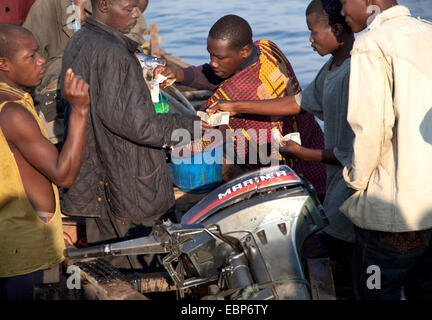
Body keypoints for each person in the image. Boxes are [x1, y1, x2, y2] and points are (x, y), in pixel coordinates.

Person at [207, 0, 356, 299]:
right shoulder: (275, 52)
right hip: (319, 164)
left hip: (319, 169)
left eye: (314, 33)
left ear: (338, 30)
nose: (309, 40)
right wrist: (235, 107)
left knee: (335, 252)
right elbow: (299, 102)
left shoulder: (355, 74)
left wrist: (304, 155)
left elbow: (353, 154)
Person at [60, 0, 200, 272]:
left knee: (111, 262)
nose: (137, 14)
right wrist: (192, 126)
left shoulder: (79, 40)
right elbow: (141, 127)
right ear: (103, 5)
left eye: (139, 7)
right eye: (130, 7)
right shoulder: (114, 54)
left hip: (98, 182)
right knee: (144, 267)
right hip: (130, 189)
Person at [338, 0, 432, 299]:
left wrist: (356, 182)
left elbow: (370, 127)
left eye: (344, 2)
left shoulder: (372, 44)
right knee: (428, 290)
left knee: (374, 289)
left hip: (393, 212)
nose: (342, 11)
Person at [156, 14, 327, 197]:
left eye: (220, 57)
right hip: (315, 146)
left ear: (244, 51)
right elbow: (216, 73)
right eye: (210, 54)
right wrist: (177, 74)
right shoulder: (267, 48)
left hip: (279, 174)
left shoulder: (231, 93)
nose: (213, 62)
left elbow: (202, 131)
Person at [0, 23, 90, 300]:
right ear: (3, 63)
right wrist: (79, 110)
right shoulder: (12, 112)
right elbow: (64, 175)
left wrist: (52, 232)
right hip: (23, 250)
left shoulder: (13, 100)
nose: (42, 62)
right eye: (31, 56)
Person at [22, 0, 148, 146]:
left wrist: (99, 25)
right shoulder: (49, 5)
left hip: (113, 85)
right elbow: (28, 58)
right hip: (58, 92)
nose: (135, 13)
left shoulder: (124, 4)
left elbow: (133, 41)